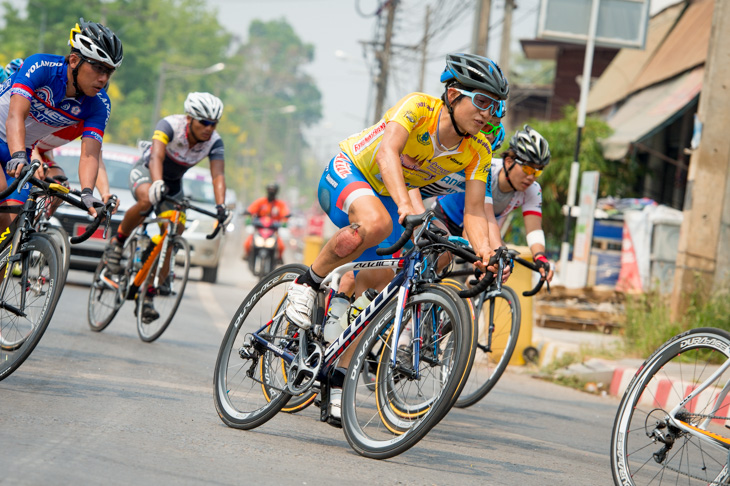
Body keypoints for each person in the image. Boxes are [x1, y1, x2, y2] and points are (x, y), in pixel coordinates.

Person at [284, 52, 510, 424]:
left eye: (496, 106)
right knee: (377, 224)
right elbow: (388, 153)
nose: (488, 113)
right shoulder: (418, 107)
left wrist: (486, 254)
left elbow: (474, 212)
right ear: (453, 94)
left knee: (405, 277)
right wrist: (406, 206)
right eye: (482, 101)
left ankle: (338, 376)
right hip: (353, 170)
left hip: (389, 198)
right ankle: (306, 284)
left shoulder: (479, 150)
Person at [102, 91, 229, 323]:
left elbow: (217, 175)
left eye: (214, 123)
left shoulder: (214, 141)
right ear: (190, 118)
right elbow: (157, 157)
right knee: (147, 200)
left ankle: (149, 293)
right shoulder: (170, 125)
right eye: (205, 122)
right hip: (148, 171)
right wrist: (157, 182)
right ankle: (117, 241)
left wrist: (221, 206)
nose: (209, 128)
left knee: (174, 231)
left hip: (173, 184)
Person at [0, 18, 123, 229]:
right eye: (98, 68)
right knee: (1, 205)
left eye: (109, 71)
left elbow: (90, 154)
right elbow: (15, 116)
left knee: (12, 226)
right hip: (15, 146)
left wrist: (87, 192)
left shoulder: (99, 104)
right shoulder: (40, 66)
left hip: (23, 152)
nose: (104, 79)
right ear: (74, 61)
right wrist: (18, 154)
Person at [427, 125, 554, 282]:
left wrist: (540, 257)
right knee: (446, 257)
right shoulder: (487, 168)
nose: (532, 176)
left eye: (538, 171)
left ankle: (470, 299)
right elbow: (476, 218)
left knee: (499, 261)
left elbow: (534, 229)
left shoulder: (533, 190)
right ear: (508, 162)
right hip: (448, 215)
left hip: (483, 224)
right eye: (528, 168)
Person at [243, 183, 290, 264]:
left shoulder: (280, 204)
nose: (271, 192)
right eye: (270, 190)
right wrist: (248, 214)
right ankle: (247, 255)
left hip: (273, 231)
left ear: (276, 192)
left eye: (273, 190)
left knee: (281, 246)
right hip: (260, 230)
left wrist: (285, 219)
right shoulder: (261, 202)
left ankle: (279, 258)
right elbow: (251, 209)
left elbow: (285, 213)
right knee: (247, 243)